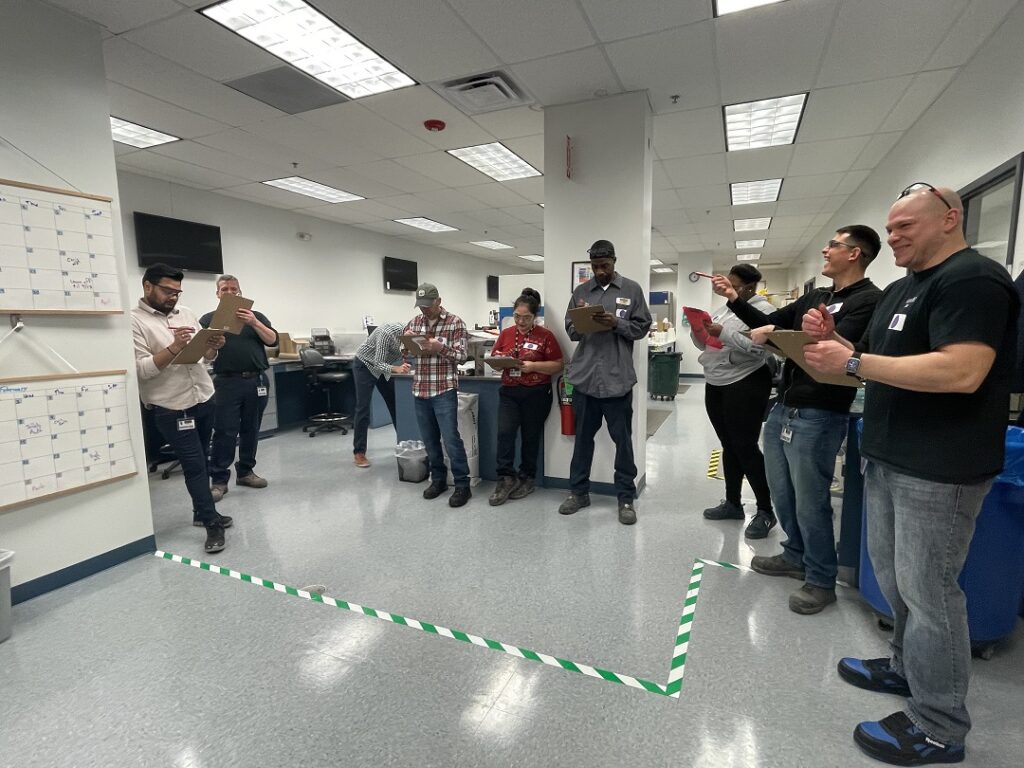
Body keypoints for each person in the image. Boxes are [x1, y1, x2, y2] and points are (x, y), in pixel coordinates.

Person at [803, 184, 1019, 766]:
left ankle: (940, 727)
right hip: (890, 454)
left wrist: (851, 361)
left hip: (942, 467)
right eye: (890, 227)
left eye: (905, 227)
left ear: (950, 219)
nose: (893, 237)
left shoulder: (972, 279)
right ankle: (904, 667)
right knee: (896, 580)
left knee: (931, 595)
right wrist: (833, 343)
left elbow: (964, 370)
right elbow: (873, 363)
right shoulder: (904, 288)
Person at [712, 224, 882, 614]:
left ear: (854, 253)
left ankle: (821, 579)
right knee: (783, 493)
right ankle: (794, 555)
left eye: (833, 246)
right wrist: (736, 299)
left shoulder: (870, 300)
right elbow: (765, 324)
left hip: (821, 412)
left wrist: (782, 333)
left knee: (811, 501)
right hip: (784, 406)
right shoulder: (817, 295)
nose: (824, 250)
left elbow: (840, 351)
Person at [131, 263, 229, 554]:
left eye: (177, 292)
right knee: (195, 465)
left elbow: (204, 357)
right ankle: (212, 523)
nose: (173, 297)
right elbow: (142, 370)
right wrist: (174, 347)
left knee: (203, 458)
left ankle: (201, 512)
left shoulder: (185, 314)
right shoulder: (134, 321)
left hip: (202, 397)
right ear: (148, 286)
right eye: (167, 291)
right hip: (171, 406)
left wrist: (214, 345)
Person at [559, 239, 652, 525]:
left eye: (605, 266)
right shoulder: (581, 291)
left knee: (622, 442)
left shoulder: (632, 289)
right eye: (595, 266)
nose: (600, 271)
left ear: (614, 261)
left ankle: (625, 497)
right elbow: (571, 328)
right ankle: (579, 492)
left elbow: (642, 327)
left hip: (616, 380)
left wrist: (616, 324)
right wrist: (581, 323)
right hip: (585, 378)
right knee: (582, 441)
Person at [691, 264, 776, 539]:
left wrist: (722, 333)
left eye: (735, 285)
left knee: (746, 447)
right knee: (728, 445)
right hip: (716, 382)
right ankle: (733, 503)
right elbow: (707, 343)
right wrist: (698, 330)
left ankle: (765, 511)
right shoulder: (724, 309)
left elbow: (758, 349)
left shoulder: (765, 311)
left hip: (746, 382)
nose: (729, 289)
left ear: (749, 287)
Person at [199, 275, 278, 500]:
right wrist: (215, 343)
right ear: (218, 294)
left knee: (251, 428)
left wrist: (254, 322)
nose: (231, 293)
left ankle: (245, 472)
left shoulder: (256, 316)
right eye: (225, 289)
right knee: (225, 431)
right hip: (227, 381)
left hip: (257, 380)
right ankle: (219, 480)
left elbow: (272, 340)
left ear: (241, 293)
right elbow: (207, 355)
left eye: (235, 289)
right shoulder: (208, 319)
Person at [487, 288, 564, 506]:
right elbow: (494, 357)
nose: (521, 321)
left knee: (530, 437)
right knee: (505, 433)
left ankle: (527, 478)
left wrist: (534, 366)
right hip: (510, 392)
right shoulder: (506, 334)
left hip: (536, 394)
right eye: (517, 316)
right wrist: (500, 359)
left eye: (526, 317)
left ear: (535, 316)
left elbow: (558, 364)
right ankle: (505, 478)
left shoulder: (546, 336)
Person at [404, 283, 472, 507]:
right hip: (421, 388)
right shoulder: (415, 322)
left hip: (444, 389)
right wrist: (407, 341)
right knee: (430, 440)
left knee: (451, 440)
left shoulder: (455, 323)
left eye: (428, 306)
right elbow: (404, 352)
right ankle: (438, 480)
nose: (424, 310)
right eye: (421, 306)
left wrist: (439, 348)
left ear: (438, 301)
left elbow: (462, 356)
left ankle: (462, 485)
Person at [351, 322, 410, 468]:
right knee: (363, 408)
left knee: (395, 404)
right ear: (407, 331)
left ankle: (405, 445)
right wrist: (396, 368)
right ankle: (359, 452)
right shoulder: (386, 333)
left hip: (383, 367)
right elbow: (378, 363)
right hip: (365, 365)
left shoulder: (411, 337)